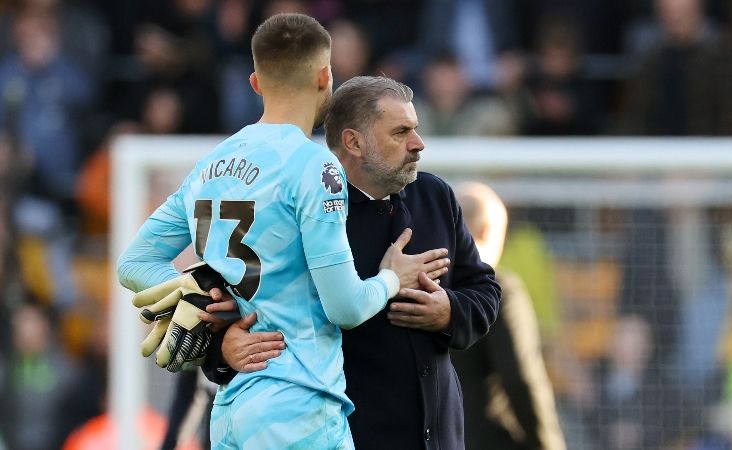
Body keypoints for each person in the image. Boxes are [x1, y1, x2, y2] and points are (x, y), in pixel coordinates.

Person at [117, 14, 449, 449]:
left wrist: (208, 304)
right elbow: (346, 307)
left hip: (232, 409)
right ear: (325, 76)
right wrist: (392, 278)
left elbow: (134, 263)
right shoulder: (314, 166)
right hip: (300, 406)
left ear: (256, 83)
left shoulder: (210, 165)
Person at [202, 76, 502, 450]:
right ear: (354, 142)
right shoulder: (294, 210)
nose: (418, 143)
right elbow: (219, 303)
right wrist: (222, 351)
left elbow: (485, 290)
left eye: (416, 129)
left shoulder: (435, 197)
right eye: (400, 132)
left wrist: (449, 312)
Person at [451, 181, 566, 450]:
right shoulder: (500, 291)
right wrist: (547, 444)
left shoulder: (413, 285)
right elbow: (521, 379)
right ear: (488, 231)